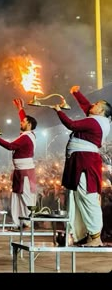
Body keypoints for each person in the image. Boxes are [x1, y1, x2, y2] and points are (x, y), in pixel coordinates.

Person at [51, 85, 112, 246]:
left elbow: (72, 125)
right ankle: (85, 233)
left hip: (85, 161)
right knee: (78, 197)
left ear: (101, 111)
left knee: (88, 197)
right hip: (80, 159)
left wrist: (58, 111)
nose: (93, 104)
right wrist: (76, 93)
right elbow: (87, 107)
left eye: (97, 104)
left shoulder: (95, 122)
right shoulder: (98, 119)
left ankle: (95, 236)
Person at [0, 98, 37, 230]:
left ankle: (27, 222)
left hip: (25, 171)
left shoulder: (26, 137)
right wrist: (20, 110)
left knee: (26, 197)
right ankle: (18, 223)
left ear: (29, 125)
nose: (21, 123)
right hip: (19, 171)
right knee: (16, 196)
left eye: (23, 122)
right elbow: (25, 120)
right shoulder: (28, 134)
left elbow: (10, 146)